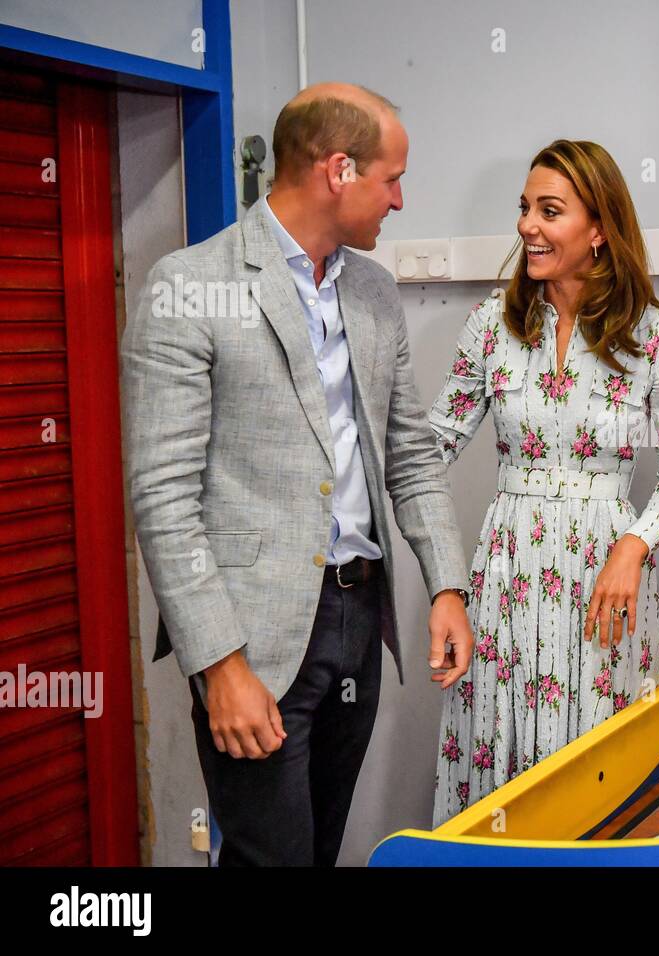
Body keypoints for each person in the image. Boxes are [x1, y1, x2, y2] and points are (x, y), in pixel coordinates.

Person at [121, 83, 473, 865]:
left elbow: (409, 452)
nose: (402, 200)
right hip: (251, 637)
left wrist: (445, 583)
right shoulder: (190, 286)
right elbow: (162, 497)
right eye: (392, 178)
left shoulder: (374, 292)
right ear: (337, 169)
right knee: (265, 857)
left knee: (316, 851)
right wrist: (219, 664)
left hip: (357, 620)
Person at [428, 139, 659, 825]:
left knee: (598, 775)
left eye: (549, 211)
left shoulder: (657, 335)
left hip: (605, 583)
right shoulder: (491, 326)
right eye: (524, 209)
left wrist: (633, 546)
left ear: (599, 230)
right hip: (506, 575)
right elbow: (429, 447)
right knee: (500, 759)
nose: (528, 225)